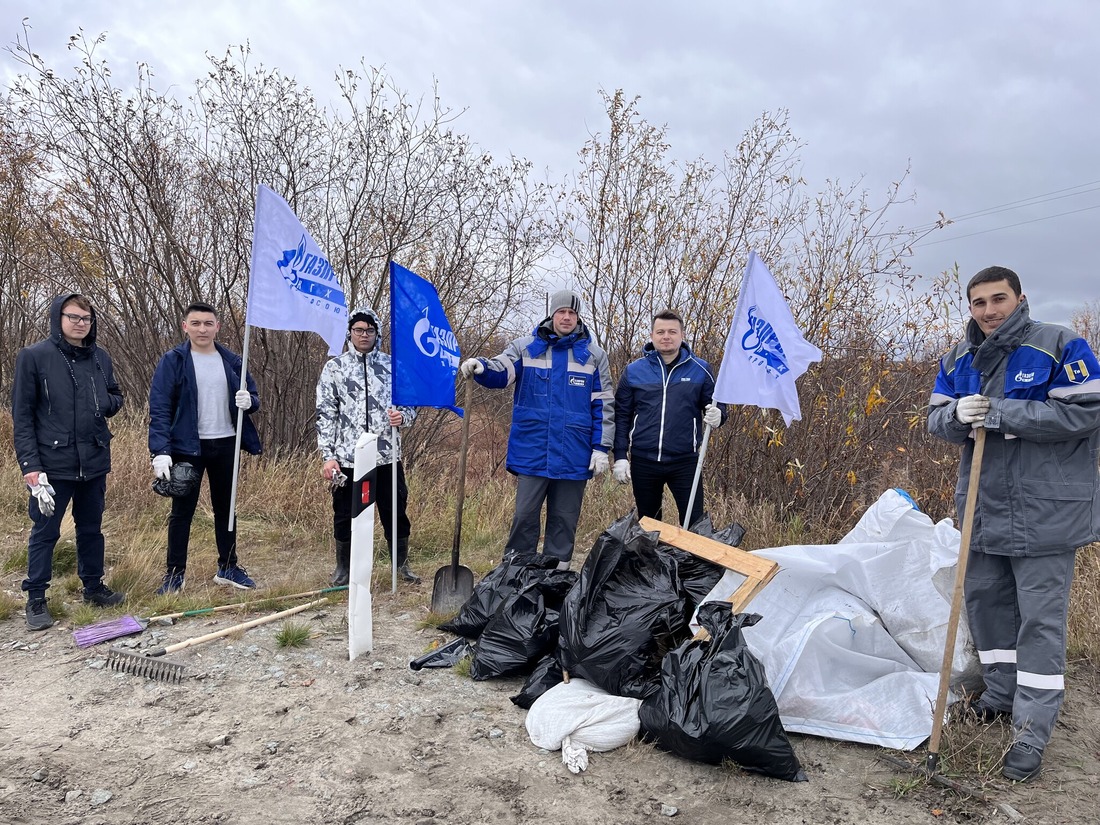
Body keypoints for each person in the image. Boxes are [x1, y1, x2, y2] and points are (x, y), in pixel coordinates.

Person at [928, 265, 1100, 782]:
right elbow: (935, 419)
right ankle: (1001, 696)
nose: (988, 311)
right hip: (981, 507)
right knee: (987, 609)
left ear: (1019, 297)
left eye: (997, 299)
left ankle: (1032, 728)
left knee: (1040, 622)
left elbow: (1086, 411)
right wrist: (958, 416)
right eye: (978, 303)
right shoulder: (958, 358)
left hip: (1045, 514)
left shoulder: (1059, 345)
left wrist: (1001, 413)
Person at [460, 290, 613, 569]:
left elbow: (603, 403)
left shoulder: (593, 356)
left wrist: (601, 447)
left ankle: (557, 573)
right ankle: (517, 572)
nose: (566, 317)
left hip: (574, 452)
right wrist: (481, 366)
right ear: (552, 314)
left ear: (578, 317)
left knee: (565, 517)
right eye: (561, 312)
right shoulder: (525, 346)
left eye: (572, 313)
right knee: (524, 515)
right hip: (533, 448)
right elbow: (501, 371)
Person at [12, 294, 126, 630]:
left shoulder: (100, 358)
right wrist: (30, 467)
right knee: (45, 532)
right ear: (58, 318)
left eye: (86, 318)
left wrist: (105, 402)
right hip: (51, 462)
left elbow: (115, 395)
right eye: (73, 317)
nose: (80, 323)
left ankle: (93, 587)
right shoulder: (34, 357)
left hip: (93, 459)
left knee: (91, 529)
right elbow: (22, 416)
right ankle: (36, 598)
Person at [148, 302, 261, 593]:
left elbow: (254, 396)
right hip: (188, 448)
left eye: (208, 323)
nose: (202, 329)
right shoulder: (173, 361)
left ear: (217, 327)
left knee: (227, 509)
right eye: (195, 323)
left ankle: (228, 567)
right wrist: (160, 451)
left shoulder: (234, 360)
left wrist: (250, 402)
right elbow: (160, 408)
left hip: (226, 444)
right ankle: (174, 574)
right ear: (185, 326)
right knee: (182, 512)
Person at [316, 306, 419, 585]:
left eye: (369, 330)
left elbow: (411, 405)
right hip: (348, 458)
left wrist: (403, 416)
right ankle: (344, 569)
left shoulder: (392, 366)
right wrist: (329, 456)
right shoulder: (335, 368)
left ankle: (401, 566)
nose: (364, 335)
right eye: (359, 330)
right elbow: (326, 413)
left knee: (395, 510)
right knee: (345, 513)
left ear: (378, 334)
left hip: (387, 455)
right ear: (350, 333)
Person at [612, 309, 725, 527]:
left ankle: (688, 562)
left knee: (693, 522)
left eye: (672, 331)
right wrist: (620, 456)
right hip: (644, 460)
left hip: (685, 461)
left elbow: (716, 406)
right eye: (660, 331)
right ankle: (652, 562)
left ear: (682, 335)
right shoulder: (634, 371)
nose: (666, 336)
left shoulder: (701, 369)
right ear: (652, 335)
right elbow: (622, 416)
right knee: (649, 523)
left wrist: (719, 415)